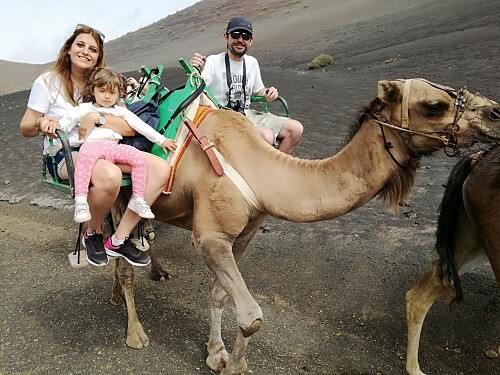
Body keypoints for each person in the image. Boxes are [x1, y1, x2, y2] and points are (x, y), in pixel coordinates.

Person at [19, 24, 170, 267]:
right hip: (66, 152)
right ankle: (93, 233)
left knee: (161, 169)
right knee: (109, 175)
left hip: (106, 148)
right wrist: (40, 121)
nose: (85, 52)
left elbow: (128, 127)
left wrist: (96, 118)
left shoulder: (103, 84)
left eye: (93, 49)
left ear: (98, 56)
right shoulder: (48, 82)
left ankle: (120, 239)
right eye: (80, 45)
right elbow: (25, 127)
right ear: (68, 49)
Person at [48, 67, 177, 224]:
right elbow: (66, 123)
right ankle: (81, 201)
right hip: (93, 146)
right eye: (102, 91)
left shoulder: (120, 111)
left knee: (138, 159)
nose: (107, 96)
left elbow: (140, 126)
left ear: (119, 94)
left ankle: (138, 198)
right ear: (93, 90)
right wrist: (55, 127)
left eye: (112, 92)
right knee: (85, 159)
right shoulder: (84, 109)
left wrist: (161, 140)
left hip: (113, 148)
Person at [190, 16, 303, 155]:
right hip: (222, 117)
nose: (240, 40)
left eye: (246, 36)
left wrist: (268, 92)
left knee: (295, 129)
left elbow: (258, 90)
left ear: (251, 40)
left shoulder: (252, 63)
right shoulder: (213, 61)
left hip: (246, 114)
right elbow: (196, 86)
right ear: (226, 37)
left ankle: (273, 171)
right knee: (265, 136)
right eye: (235, 34)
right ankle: (253, 173)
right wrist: (196, 69)